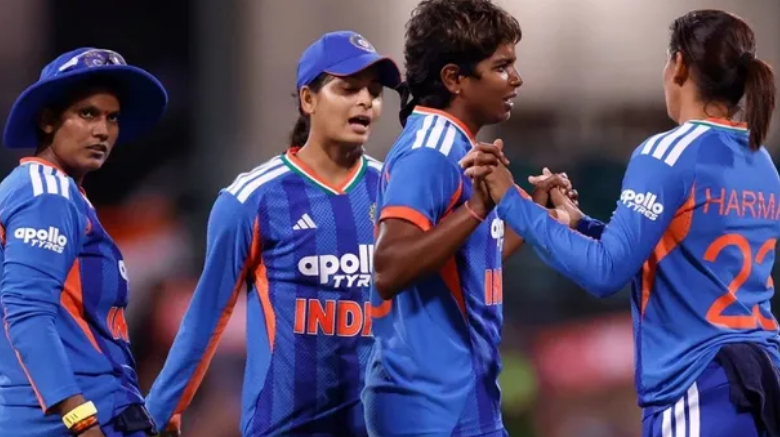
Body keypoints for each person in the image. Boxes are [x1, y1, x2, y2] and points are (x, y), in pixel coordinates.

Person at [470, 9, 780, 437]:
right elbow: (675, 254)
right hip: (758, 383)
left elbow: (605, 272)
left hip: (697, 385)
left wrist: (511, 200)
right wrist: (579, 223)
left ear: (678, 65)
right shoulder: (760, 162)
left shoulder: (668, 153)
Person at [144, 31, 401, 437]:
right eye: (349, 89)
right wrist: (161, 411)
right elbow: (207, 315)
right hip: (284, 427)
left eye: (374, 91)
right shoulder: (251, 198)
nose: (366, 101)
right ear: (308, 99)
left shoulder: (395, 190)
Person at [362, 1, 575, 436]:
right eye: (502, 67)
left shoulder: (458, 145)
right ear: (454, 79)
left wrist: (540, 215)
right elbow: (388, 268)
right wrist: (476, 208)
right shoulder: (430, 150)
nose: (516, 79)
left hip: (465, 395)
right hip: (427, 402)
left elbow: (474, 258)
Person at [0, 48, 168, 437]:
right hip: (68, 422)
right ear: (47, 120)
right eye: (88, 113)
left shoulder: (61, 195)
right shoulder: (47, 193)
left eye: (113, 118)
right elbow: (26, 312)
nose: (103, 131)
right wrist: (80, 419)